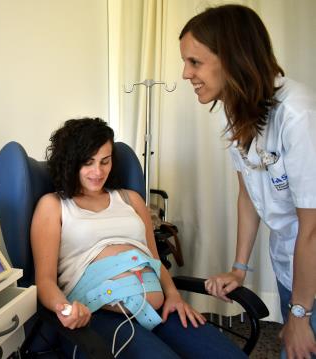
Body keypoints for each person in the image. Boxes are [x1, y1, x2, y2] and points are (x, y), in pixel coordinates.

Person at [30, 117, 246, 358]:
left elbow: (154, 257)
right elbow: (46, 280)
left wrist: (174, 295)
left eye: (105, 161)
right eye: (88, 163)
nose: (98, 172)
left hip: (159, 307)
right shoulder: (54, 205)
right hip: (97, 313)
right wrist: (65, 308)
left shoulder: (130, 199)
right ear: (71, 163)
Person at [179, 4, 316, 359]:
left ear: (232, 57)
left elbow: (313, 227)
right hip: (292, 265)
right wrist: (239, 269)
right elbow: (248, 195)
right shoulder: (239, 111)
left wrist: (301, 313)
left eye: (195, 62)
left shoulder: (298, 115)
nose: (184, 73)